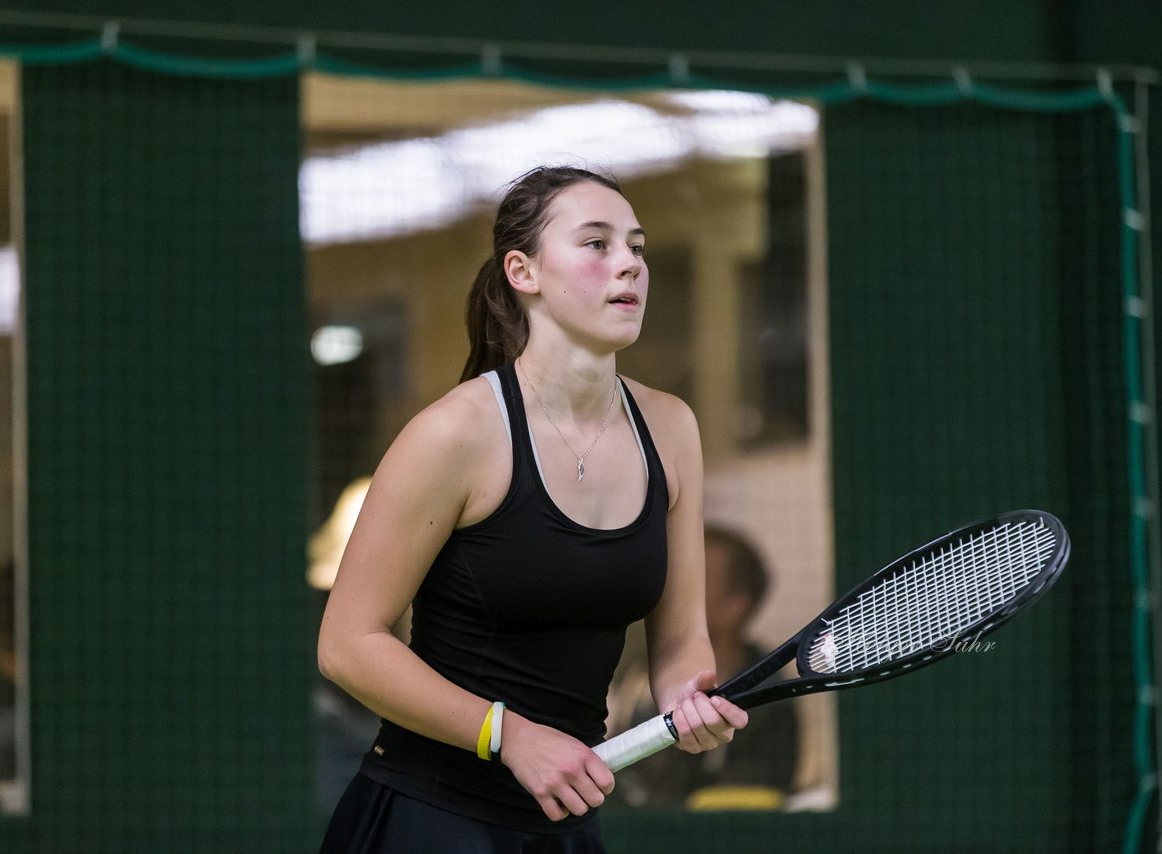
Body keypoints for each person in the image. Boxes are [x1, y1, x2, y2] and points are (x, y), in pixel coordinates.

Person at [317, 166, 748, 852]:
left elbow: (678, 638)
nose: (630, 265)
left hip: (564, 827)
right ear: (523, 272)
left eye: (636, 246)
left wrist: (685, 696)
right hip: (428, 820)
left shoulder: (671, 428)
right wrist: (507, 735)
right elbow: (347, 646)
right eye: (597, 244)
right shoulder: (454, 434)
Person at [611, 526, 800, 810]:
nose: (671, 586)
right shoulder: (636, 676)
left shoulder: (770, 699)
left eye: (697, 578)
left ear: (736, 605)